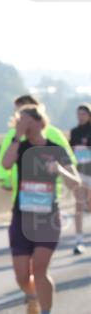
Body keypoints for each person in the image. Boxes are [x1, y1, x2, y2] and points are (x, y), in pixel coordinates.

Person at [1, 104, 81, 314]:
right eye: (19, 121)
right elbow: (6, 164)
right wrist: (16, 135)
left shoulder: (56, 149)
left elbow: (75, 184)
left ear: (40, 122)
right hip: (22, 216)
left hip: (47, 217)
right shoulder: (21, 147)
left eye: (26, 121)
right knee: (21, 275)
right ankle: (33, 295)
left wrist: (59, 170)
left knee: (39, 267)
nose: (22, 125)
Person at [0, 94, 71, 191]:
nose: (24, 125)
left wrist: (60, 171)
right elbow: (5, 163)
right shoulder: (14, 137)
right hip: (21, 193)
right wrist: (4, 180)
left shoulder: (55, 135)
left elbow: (69, 161)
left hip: (49, 194)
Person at [69, 103, 91, 254]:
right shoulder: (74, 132)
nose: (80, 116)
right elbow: (70, 151)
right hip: (80, 173)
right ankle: (79, 239)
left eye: (83, 114)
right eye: (79, 114)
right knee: (79, 204)